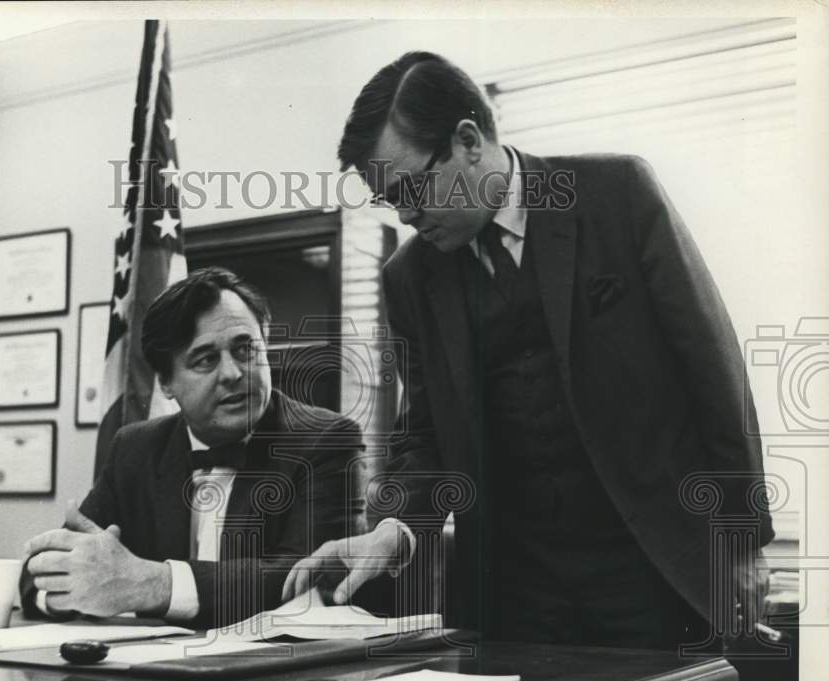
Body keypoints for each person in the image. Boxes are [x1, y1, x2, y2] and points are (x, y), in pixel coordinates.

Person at [284, 51, 771, 648]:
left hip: (654, 566)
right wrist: (393, 528)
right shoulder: (408, 277)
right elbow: (426, 432)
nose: (407, 216)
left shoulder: (616, 196)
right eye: (390, 201)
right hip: (516, 591)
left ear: (468, 141)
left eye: (411, 188)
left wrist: (744, 541)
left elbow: (713, 369)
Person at [20, 267, 365, 628]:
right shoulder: (135, 449)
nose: (232, 373)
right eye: (206, 360)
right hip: (155, 674)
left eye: (246, 350)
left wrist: (151, 584)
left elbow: (311, 581)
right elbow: (37, 575)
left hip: (279, 675)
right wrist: (77, 585)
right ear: (166, 383)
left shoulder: (327, 440)